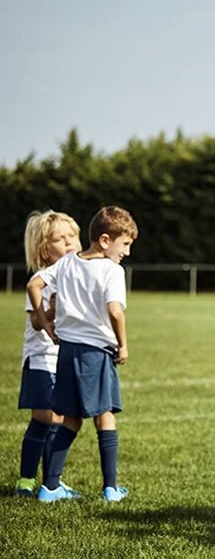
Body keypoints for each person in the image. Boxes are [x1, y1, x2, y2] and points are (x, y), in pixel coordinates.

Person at [27, 205, 138, 503]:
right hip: (96, 354)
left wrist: (46, 322)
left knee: (71, 420)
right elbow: (115, 310)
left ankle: (50, 488)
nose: (126, 252)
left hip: (67, 354)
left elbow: (33, 284)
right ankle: (111, 488)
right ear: (104, 240)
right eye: (124, 244)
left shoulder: (66, 264)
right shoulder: (112, 270)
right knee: (105, 417)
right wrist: (123, 344)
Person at [15, 211, 82, 498]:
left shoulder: (74, 276)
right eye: (60, 239)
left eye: (73, 236)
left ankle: (49, 482)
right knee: (46, 418)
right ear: (44, 248)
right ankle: (29, 481)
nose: (69, 243)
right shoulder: (44, 279)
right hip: (42, 357)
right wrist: (52, 310)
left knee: (54, 418)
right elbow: (35, 321)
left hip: (63, 359)